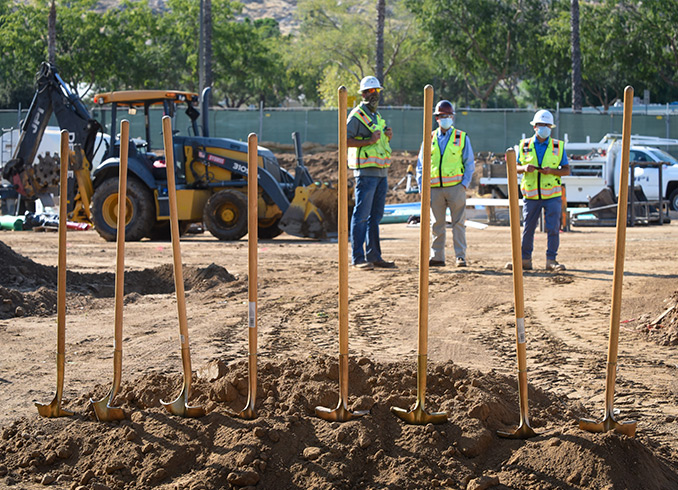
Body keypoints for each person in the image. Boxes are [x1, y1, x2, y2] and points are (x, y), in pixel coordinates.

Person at [416, 100, 475, 267]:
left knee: (458, 223)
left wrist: (464, 184)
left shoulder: (461, 137)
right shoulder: (430, 137)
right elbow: (421, 164)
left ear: (453, 117)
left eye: (448, 116)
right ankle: (437, 256)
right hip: (435, 189)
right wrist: (422, 186)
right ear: (437, 118)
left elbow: (469, 162)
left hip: (456, 187)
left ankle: (460, 256)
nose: (445, 118)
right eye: (442, 116)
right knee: (437, 224)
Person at [509, 109, 570, 271]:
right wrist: (524, 168)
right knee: (528, 228)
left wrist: (552, 171)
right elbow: (514, 167)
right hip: (531, 194)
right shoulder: (524, 145)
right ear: (534, 127)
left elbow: (566, 170)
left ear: (551, 127)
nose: (544, 128)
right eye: (541, 125)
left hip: (553, 195)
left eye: (547, 125)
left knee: (553, 229)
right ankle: (524, 259)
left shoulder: (558, 146)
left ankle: (551, 260)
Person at [347, 76, 396, 270]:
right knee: (361, 216)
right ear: (364, 94)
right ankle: (358, 258)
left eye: (377, 91)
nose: (375, 95)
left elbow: (380, 142)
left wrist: (387, 136)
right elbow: (345, 140)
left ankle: (374, 256)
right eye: (371, 91)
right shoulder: (357, 116)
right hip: (366, 173)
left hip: (381, 173)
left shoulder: (377, 116)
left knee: (375, 217)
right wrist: (368, 141)